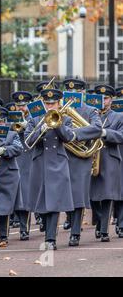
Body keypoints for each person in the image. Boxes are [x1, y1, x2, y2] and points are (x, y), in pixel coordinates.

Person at [24, 88, 75, 250]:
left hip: (58, 163)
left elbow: (68, 137)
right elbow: (28, 143)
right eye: (47, 103)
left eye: (53, 104)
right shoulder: (35, 119)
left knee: (54, 202)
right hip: (40, 163)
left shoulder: (65, 119)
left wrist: (57, 125)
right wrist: (41, 129)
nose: (50, 107)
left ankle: (51, 239)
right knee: (42, 203)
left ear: (59, 104)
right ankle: (48, 232)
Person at [62, 79, 102, 246]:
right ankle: (66, 222)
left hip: (80, 158)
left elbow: (97, 129)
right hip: (61, 158)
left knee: (78, 196)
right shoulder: (59, 111)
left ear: (82, 93)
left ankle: (75, 233)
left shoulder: (91, 110)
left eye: (76, 93)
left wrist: (73, 134)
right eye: (69, 93)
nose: (72, 96)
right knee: (62, 194)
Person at [0, 107, 23, 247]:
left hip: (7, 173)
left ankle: (3, 235)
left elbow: (19, 149)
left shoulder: (12, 134)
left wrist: (4, 150)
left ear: (4, 121)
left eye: (0, 122)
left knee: (4, 207)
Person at [90, 85, 123, 242]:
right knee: (92, 196)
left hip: (109, 157)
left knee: (107, 195)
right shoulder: (91, 114)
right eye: (100, 98)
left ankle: (104, 230)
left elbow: (121, 136)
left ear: (112, 100)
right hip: (90, 157)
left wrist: (105, 133)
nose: (103, 101)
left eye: (106, 98)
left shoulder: (118, 117)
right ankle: (100, 221)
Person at [11, 91, 34, 240]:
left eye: (23, 105)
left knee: (25, 193)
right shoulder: (11, 117)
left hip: (28, 156)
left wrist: (27, 126)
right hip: (15, 157)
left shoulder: (34, 117)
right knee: (15, 192)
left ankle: (25, 228)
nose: (21, 108)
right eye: (18, 105)